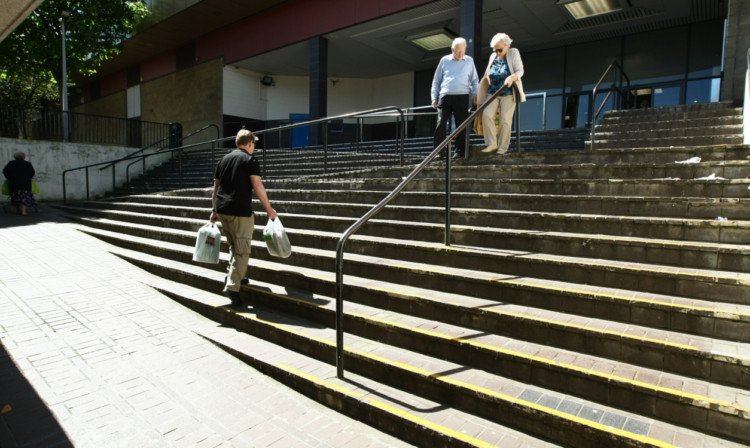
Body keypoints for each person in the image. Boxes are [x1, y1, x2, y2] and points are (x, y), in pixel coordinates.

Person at [210, 129, 277, 305]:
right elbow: (257, 185)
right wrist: (269, 209)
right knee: (243, 249)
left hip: (222, 208)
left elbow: (216, 189)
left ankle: (239, 275)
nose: (254, 146)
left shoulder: (223, 160)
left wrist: (214, 210)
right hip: (239, 210)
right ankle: (232, 287)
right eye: (253, 143)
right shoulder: (249, 159)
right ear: (248, 143)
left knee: (234, 246)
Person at [431, 37, 479, 160]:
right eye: (457, 51)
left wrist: (475, 93)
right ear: (452, 49)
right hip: (445, 95)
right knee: (441, 123)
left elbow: (474, 80)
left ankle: (459, 152)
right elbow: (436, 80)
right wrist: (434, 97)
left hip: (462, 95)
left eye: (463, 51)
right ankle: (439, 152)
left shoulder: (469, 61)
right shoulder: (444, 60)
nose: (460, 54)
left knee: (461, 125)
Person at [478, 33, 526, 154]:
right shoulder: (493, 56)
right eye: (495, 49)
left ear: (507, 46)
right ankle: (492, 143)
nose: (497, 52)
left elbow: (520, 71)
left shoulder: (513, 52)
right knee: (487, 114)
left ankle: (502, 148)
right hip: (493, 91)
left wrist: (512, 77)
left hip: (508, 92)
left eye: (500, 50)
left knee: (505, 119)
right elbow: (488, 74)